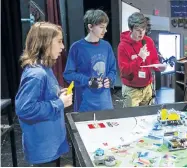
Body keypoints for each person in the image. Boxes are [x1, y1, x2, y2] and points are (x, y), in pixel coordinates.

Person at [15, 22, 72, 166]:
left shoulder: (45, 69)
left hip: (51, 145)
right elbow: (24, 109)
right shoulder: (37, 74)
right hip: (43, 149)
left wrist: (58, 92)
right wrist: (60, 103)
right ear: (45, 43)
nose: (62, 47)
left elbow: (44, 94)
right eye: (59, 42)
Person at [63, 9, 117, 112]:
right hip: (85, 105)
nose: (105, 31)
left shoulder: (106, 46)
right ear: (90, 27)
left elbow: (112, 70)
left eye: (105, 27)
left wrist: (110, 79)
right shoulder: (77, 47)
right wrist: (88, 81)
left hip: (105, 104)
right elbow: (68, 74)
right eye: (101, 27)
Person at [117, 12, 166, 107]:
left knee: (147, 118)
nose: (141, 33)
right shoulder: (123, 46)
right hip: (132, 90)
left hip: (147, 88)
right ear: (131, 29)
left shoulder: (148, 41)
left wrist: (159, 67)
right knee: (131, 119)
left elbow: (154, 60)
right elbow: (124, 71)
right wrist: (139, 58)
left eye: (143, 29)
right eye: (138, 30)